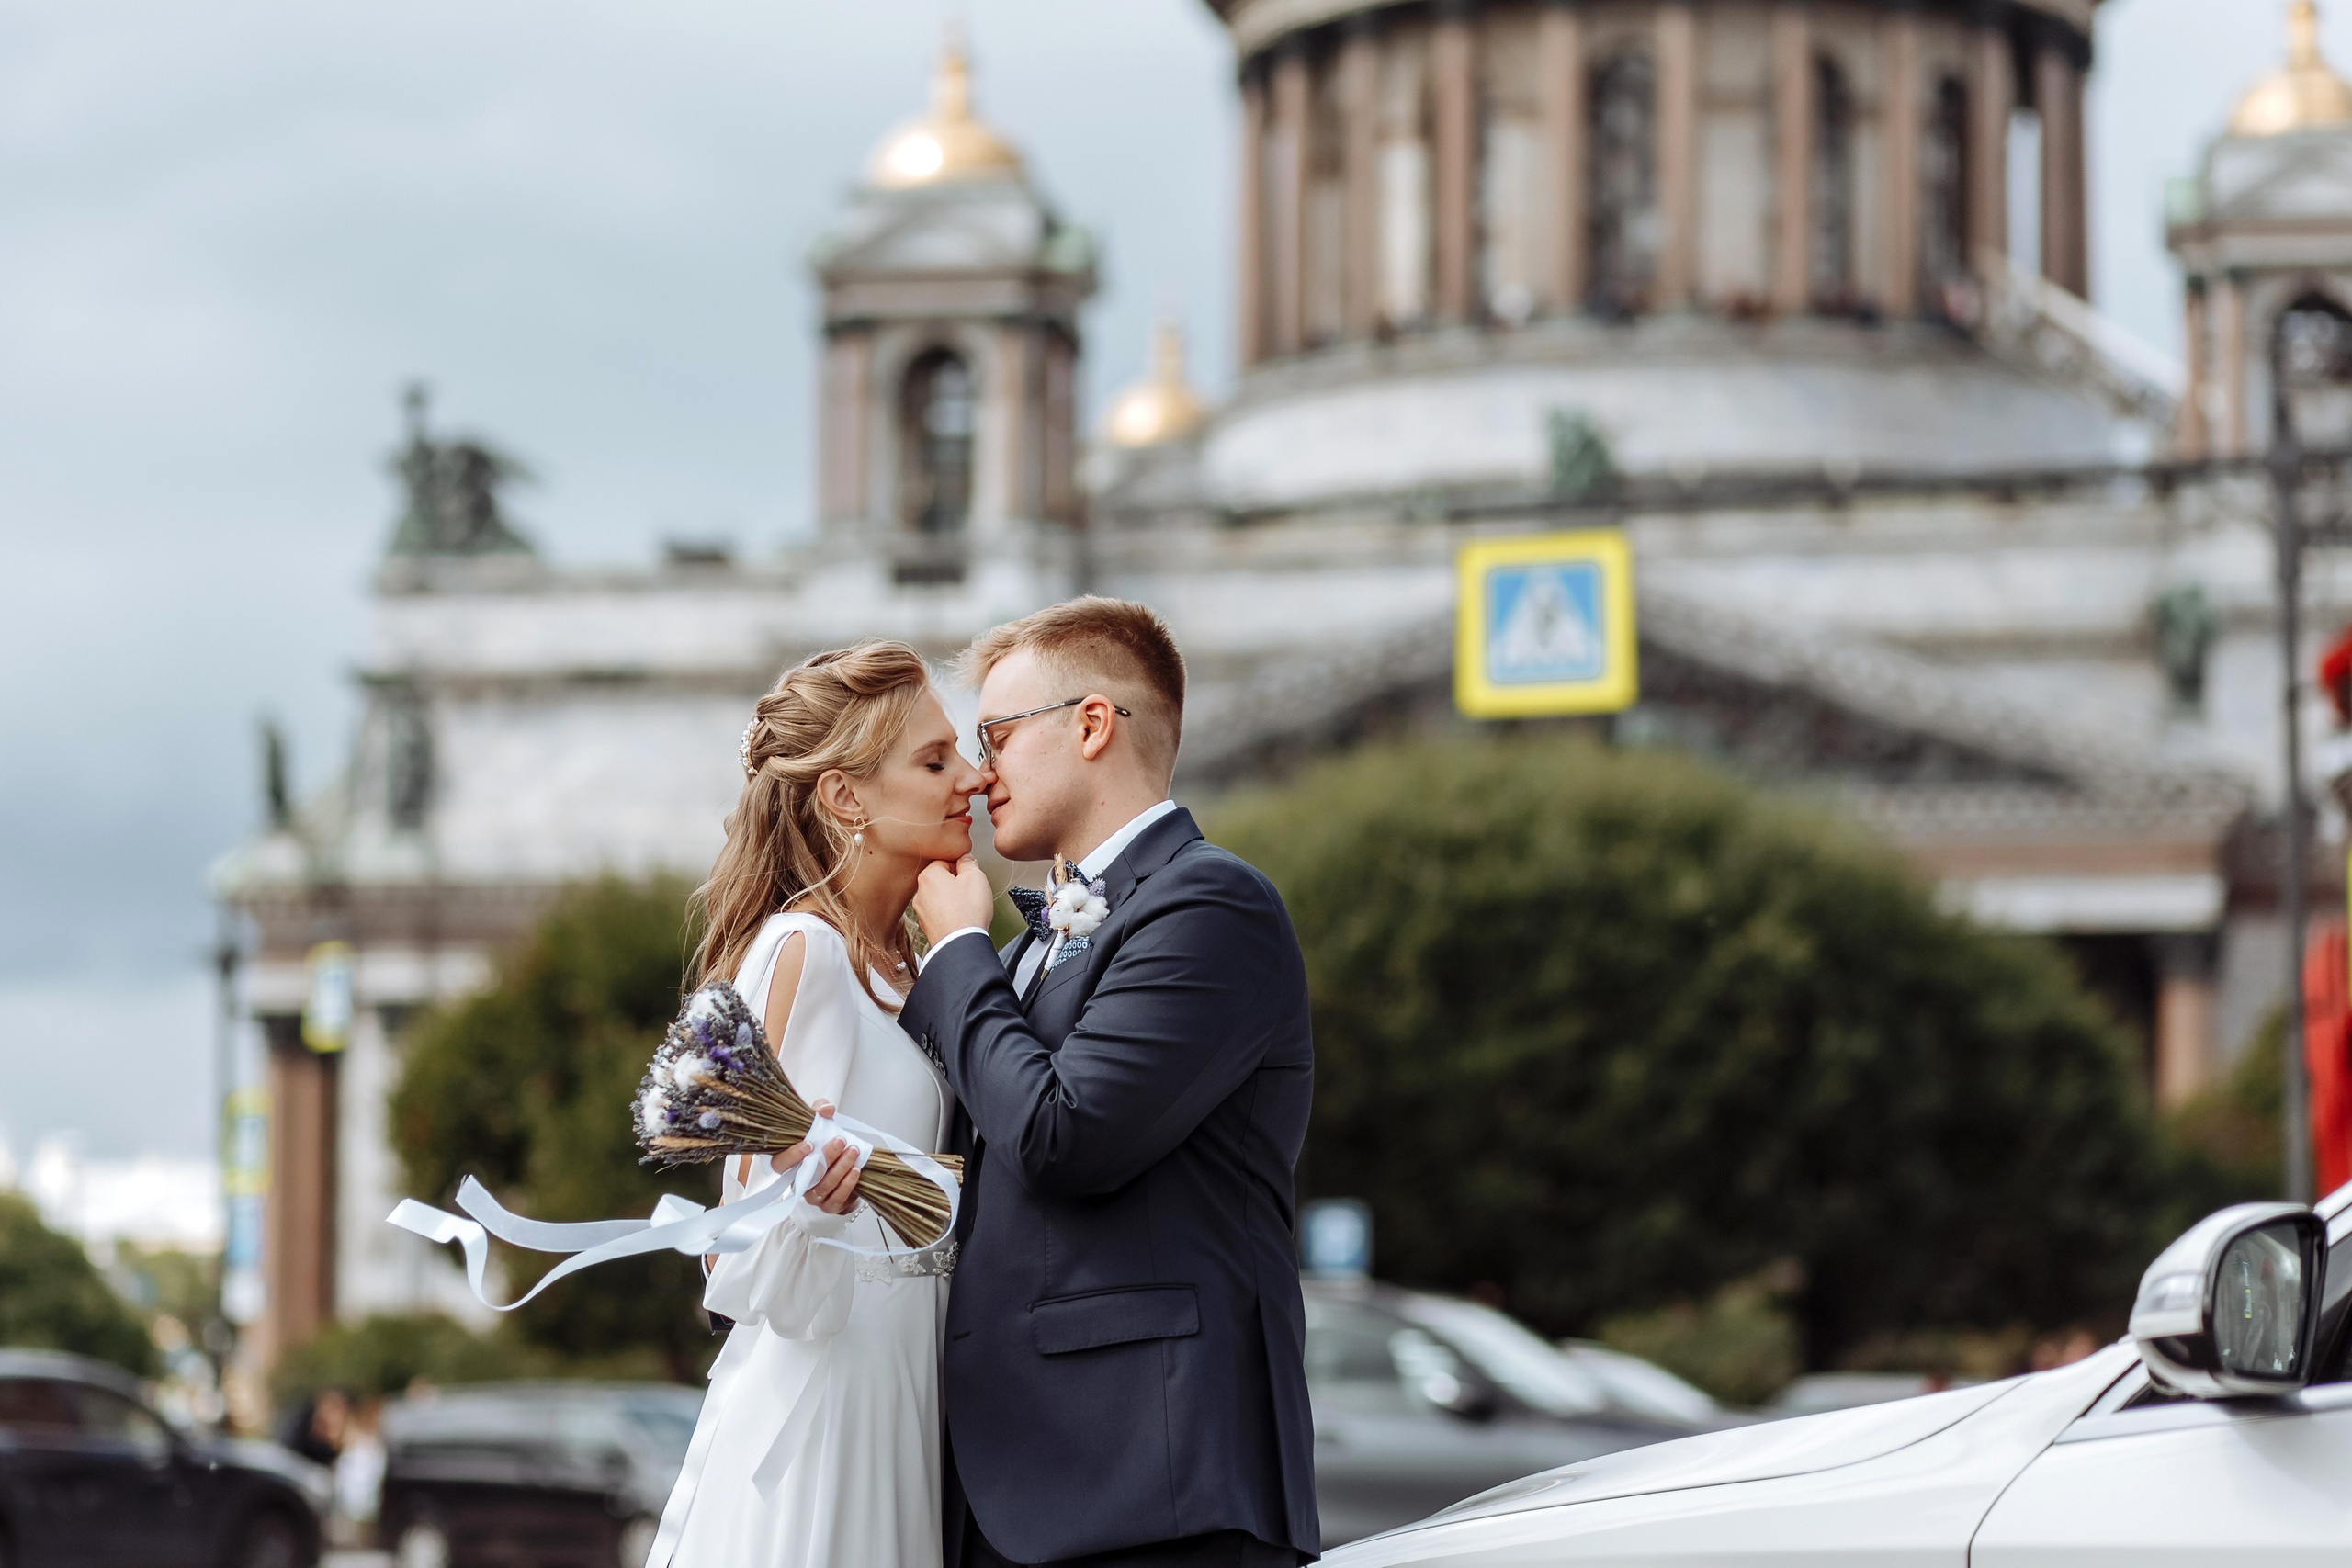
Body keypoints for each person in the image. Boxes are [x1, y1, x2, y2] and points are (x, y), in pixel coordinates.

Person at [906, 597, 1320, 1567]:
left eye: (995, 737)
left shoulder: (1212, 901)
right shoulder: (1029, 948)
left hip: (1153, 1484)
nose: (977, 774)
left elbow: (1068, 1136)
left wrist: (958, 949)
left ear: (1091, 725)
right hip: (1015, 1486)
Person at [651, 640, 986, 1568]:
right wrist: (810, 1201)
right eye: (934, 761)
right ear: (846, 798)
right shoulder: (802, 952)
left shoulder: (917, 968)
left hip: (906, 1380)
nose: (972, 777)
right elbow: (738, 1262)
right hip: (826, 1396)